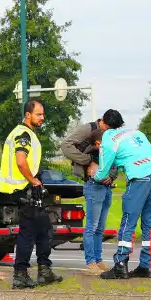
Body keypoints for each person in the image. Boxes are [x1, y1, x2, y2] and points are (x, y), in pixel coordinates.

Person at [0, 100, 62, 289]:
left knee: (43, 230)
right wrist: (33, 180)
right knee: (29, 233)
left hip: (26, 191)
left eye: (42, 114)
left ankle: (43, 271)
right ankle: (21, 275)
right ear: (28, 115)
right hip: (24, 190)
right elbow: (20, 161)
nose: (42, 118)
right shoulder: (23, 134)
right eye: (38, 114)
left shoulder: (26, 133)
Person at [92, 117, 151, 279]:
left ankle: (120, 265)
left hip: (139, 177)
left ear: (105, 125)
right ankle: (146, 267)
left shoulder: (108, 139)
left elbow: (103, 171)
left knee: (128, 220)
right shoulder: (135, 132)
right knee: (150, 223)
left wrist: (95, 177)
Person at [59, 110, 121, 273]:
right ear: (104, 124)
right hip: (93, 183)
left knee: (100, 226)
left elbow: (114, 157)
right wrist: (87, 162)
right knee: (92, 226)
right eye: (111, 130)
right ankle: (90, 261)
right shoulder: (87, 130)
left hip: (106, 185)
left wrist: (112, 176)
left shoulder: (110, 136)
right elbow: (66, 145)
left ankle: (98, 259)